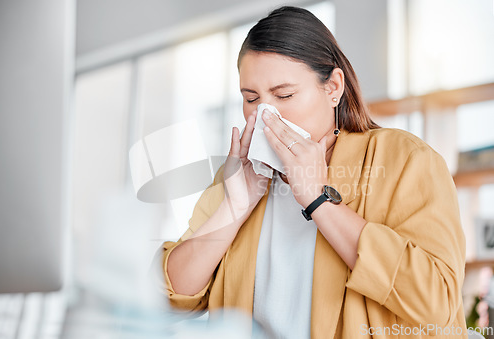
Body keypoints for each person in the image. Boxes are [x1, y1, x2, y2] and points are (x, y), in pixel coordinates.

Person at [156, 6, 467, 338]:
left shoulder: (405, 159)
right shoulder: (237, 175)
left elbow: (437, 303)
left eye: (285, 94)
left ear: (333, 88)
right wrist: (234, 208)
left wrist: (318, 198)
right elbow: (168, 298)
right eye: (251, 99)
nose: (265, 114)